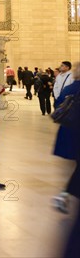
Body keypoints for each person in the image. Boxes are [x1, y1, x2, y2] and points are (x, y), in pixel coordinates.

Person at [51, 63, 80, 214]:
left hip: (68, 133)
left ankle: (65, 195)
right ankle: (64, 195)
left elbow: (58, 104)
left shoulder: (69, 88)